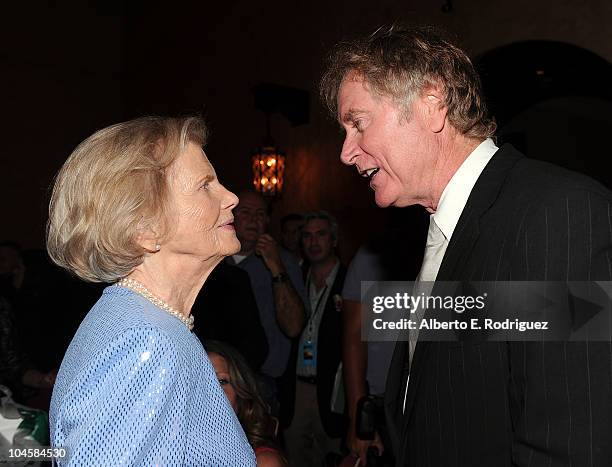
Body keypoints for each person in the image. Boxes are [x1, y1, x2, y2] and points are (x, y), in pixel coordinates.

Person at [321, 25, 612, 466]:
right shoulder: (439, 231)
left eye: (357, 124)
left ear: (432, 103)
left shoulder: (557, 212)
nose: (346, 152)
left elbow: (571, 440)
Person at [46, 116, 255, 465]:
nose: (231, 197)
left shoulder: (135, 320)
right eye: (205, 185)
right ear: (145, 229)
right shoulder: (149, 341)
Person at [231, 190, 306, 415]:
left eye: (260, 213)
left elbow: (293, 326)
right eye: (245, 212)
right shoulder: (213, 260)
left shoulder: (284, 262)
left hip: (262, 383)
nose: (253, 219)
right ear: (231, 216)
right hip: (218, 378)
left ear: (267, 221)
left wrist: (276, 267)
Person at [283, 211, 347, 467]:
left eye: (320, 234)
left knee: (331, 457)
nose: (313, 242)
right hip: (296, 389)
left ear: (333, 240)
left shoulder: (350, 281)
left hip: (333, 390)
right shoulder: (294, 277)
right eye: (307, 236)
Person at [206, 340, 287, 467]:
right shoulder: (175, 450)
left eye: (221, 381)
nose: (212, 392)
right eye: (202, 381)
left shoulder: (262, 461)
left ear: (240, 394)